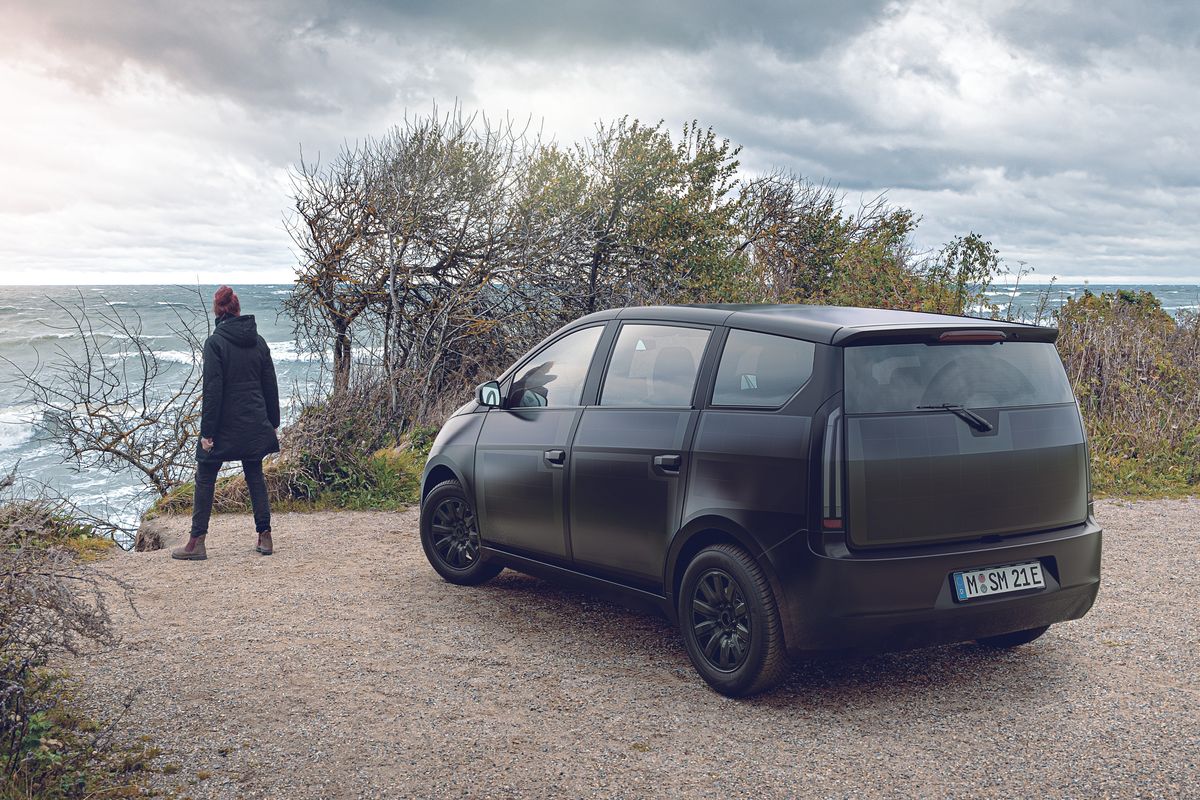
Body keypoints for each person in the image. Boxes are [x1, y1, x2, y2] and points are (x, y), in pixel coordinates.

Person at [172, 286, 280, 561]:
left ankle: (197, 542)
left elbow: (213, 391)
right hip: (255, 422)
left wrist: (207, 433)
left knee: (206, 474)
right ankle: (265, 536)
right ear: (237, 309)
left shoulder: (215, 343)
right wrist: (273, 422)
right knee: (254, 473)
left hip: (224, 426)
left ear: (217, 311)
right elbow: (270, 384)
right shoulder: (259, 341)